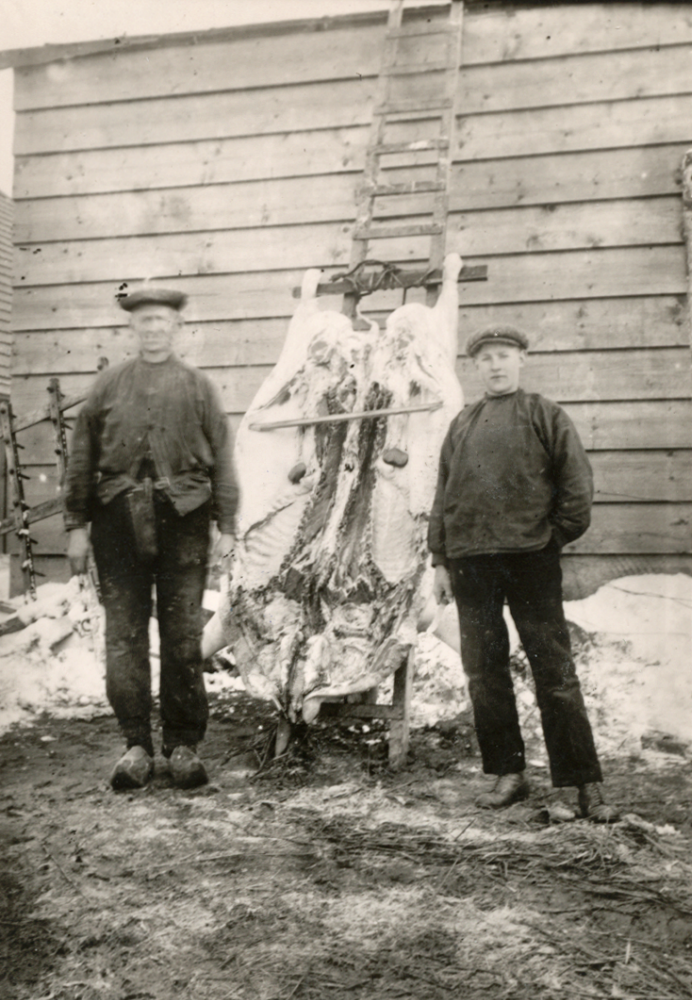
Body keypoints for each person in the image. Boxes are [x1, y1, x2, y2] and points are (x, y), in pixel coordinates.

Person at [428, 325, 618, 822]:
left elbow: (577, 488)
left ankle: (584, 784)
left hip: (530, 560)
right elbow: (443, 496)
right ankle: (507, 773)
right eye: (486, 358)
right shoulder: (462, 424)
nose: (495, 365)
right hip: (472, 564)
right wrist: (440, 560)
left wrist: (550, 539)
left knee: (554, 672)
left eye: (504, 355)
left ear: (522, 359)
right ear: (476, 367)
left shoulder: (544, 415)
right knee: (485, 673)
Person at [63, 285, 238, 791]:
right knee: (123, 637)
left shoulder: (199, 387)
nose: (154, 329)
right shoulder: (108, 387)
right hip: (116, 522)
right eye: (145, 322)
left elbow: (224, 458)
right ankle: (135, 744)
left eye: (163, 321)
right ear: (132, 329)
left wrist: (227, 526)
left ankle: (183, 745)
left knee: (183, 637)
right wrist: (76, 526)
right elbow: (80, 460)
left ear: (177, 327)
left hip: (184, 519)